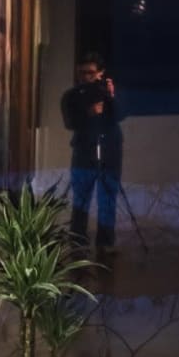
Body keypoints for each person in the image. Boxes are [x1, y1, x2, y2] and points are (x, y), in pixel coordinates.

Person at [59, 53, 124, 252]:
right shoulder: (71, 96)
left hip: (109, 153)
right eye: (82, 73)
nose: (85, 77)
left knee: (107, 199)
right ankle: (78, 242)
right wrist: (89, 113)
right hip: (84, 153)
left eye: (90, 72)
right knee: (81, 200)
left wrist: (111, 96)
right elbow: (70, 123)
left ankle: (105, 243)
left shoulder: (107, 93)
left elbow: (120, 116)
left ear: (100, 73)